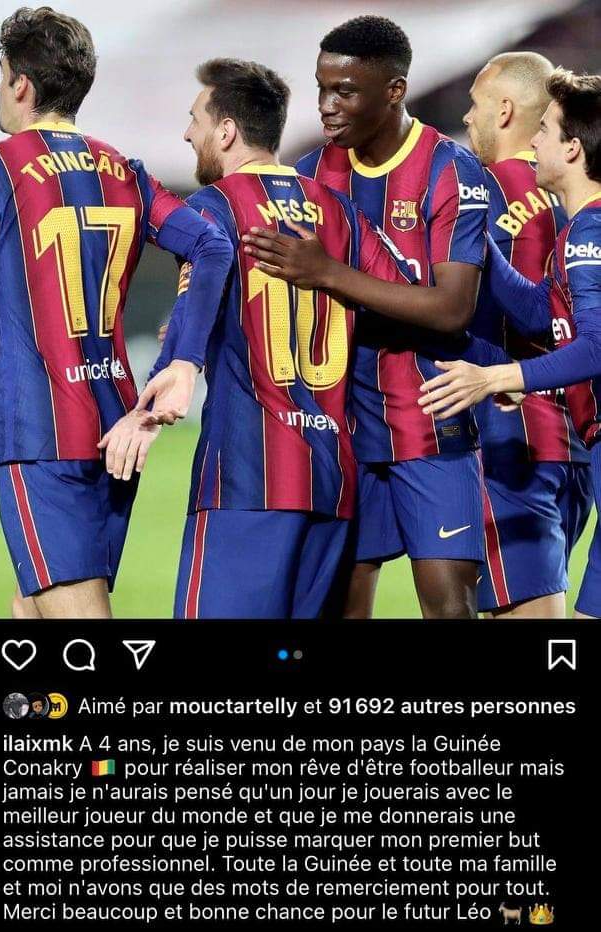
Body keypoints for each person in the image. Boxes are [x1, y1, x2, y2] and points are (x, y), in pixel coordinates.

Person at [108, 57, 415, 618]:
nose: (187, 133)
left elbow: (195, 299)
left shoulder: (213, 208)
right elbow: (407, 299)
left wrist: (156, 394)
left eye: (196, 119)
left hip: (248, 475)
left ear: (226, 131)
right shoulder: (340, 211)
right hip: (332, 478)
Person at [0, 7, 233, 619]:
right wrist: (185, 359)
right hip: (116, 422)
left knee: (76, 613)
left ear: (21, 84)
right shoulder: (124, 170)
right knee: (34, 605)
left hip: (40, 429)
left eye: (1, 77)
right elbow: (211, 245)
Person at [242, 16, 489, 619]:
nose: (326, 106)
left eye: (345, 92)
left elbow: (452, 309)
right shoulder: (307, 175)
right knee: (338, 608)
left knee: (449, 609)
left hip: (428, 421)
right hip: (338, 424)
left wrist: (329, 273)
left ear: (395, 90)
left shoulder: (450, 171)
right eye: (322, 88)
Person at [417, 70, 601, 619]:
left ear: (572, 147)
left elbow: (597, 346)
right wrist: (471, 234)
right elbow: (540, 313)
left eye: (545, 130)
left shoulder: (591, 233)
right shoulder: (576, 229)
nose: (534, 142)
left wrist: (495, 377)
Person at [463, 52, 592, 618]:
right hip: (576, 440)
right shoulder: (571, 214)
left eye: (474, 105)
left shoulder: (480, 189)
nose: (467, 118)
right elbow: (546, 313)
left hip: (514, 437)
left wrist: (501, 376)